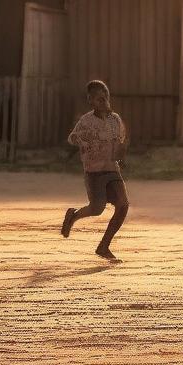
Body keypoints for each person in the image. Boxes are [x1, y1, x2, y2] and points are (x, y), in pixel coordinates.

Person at [61, 80, 129, 262]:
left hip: (112, 170)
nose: (103, 100)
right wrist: (83, 141)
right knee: (97, 209)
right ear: (90, 100)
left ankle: (104, 246)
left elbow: (120, 142)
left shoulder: (115, 120)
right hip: (94, 171)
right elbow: (72, 137)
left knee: (123, 205)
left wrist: (121, 159)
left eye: (105, 96)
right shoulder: (86, 121)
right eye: (99, 98)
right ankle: (73, 216)